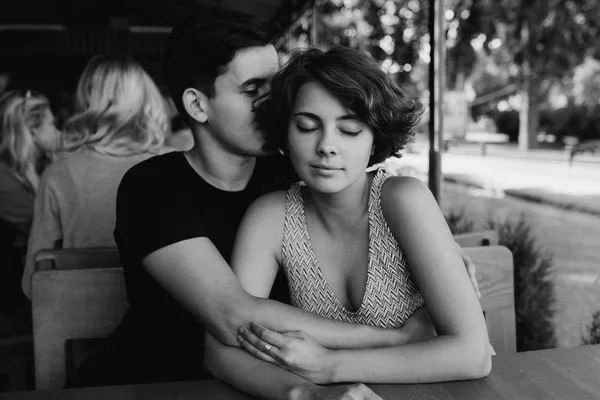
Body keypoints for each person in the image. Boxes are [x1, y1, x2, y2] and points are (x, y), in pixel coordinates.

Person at [69, 8, 480, 399]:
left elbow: (367, 200)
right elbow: (232, 315)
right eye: (253, 90)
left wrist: (435, 253)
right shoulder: (154, 185)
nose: (273, 103)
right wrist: (397, 339)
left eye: (275, 85)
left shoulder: (290, 177)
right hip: (153, 383)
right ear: (198, 105)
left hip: (267, 382)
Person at [204, 46, 492, 397]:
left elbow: (473, 354)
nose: (326, 145)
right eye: (307, 126)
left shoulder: (403, 201)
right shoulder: (271, 217)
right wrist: (305, 394)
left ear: (374, 140)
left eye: (350, 130)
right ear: (285, 133)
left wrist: (327, 365)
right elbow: (220, 351)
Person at [21, 55, 169, 299]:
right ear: (147, 99)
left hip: (79, 328)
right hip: (166, 329)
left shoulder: (59, 174)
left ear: (85, 101)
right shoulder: (176, 166)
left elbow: (32, 284)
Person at [0, 90, 58, 313]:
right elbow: (42, 227)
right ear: (32, 131)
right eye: (52, 124)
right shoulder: (3, 180)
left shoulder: (33, 169)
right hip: (10, 299)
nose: (57, 132)